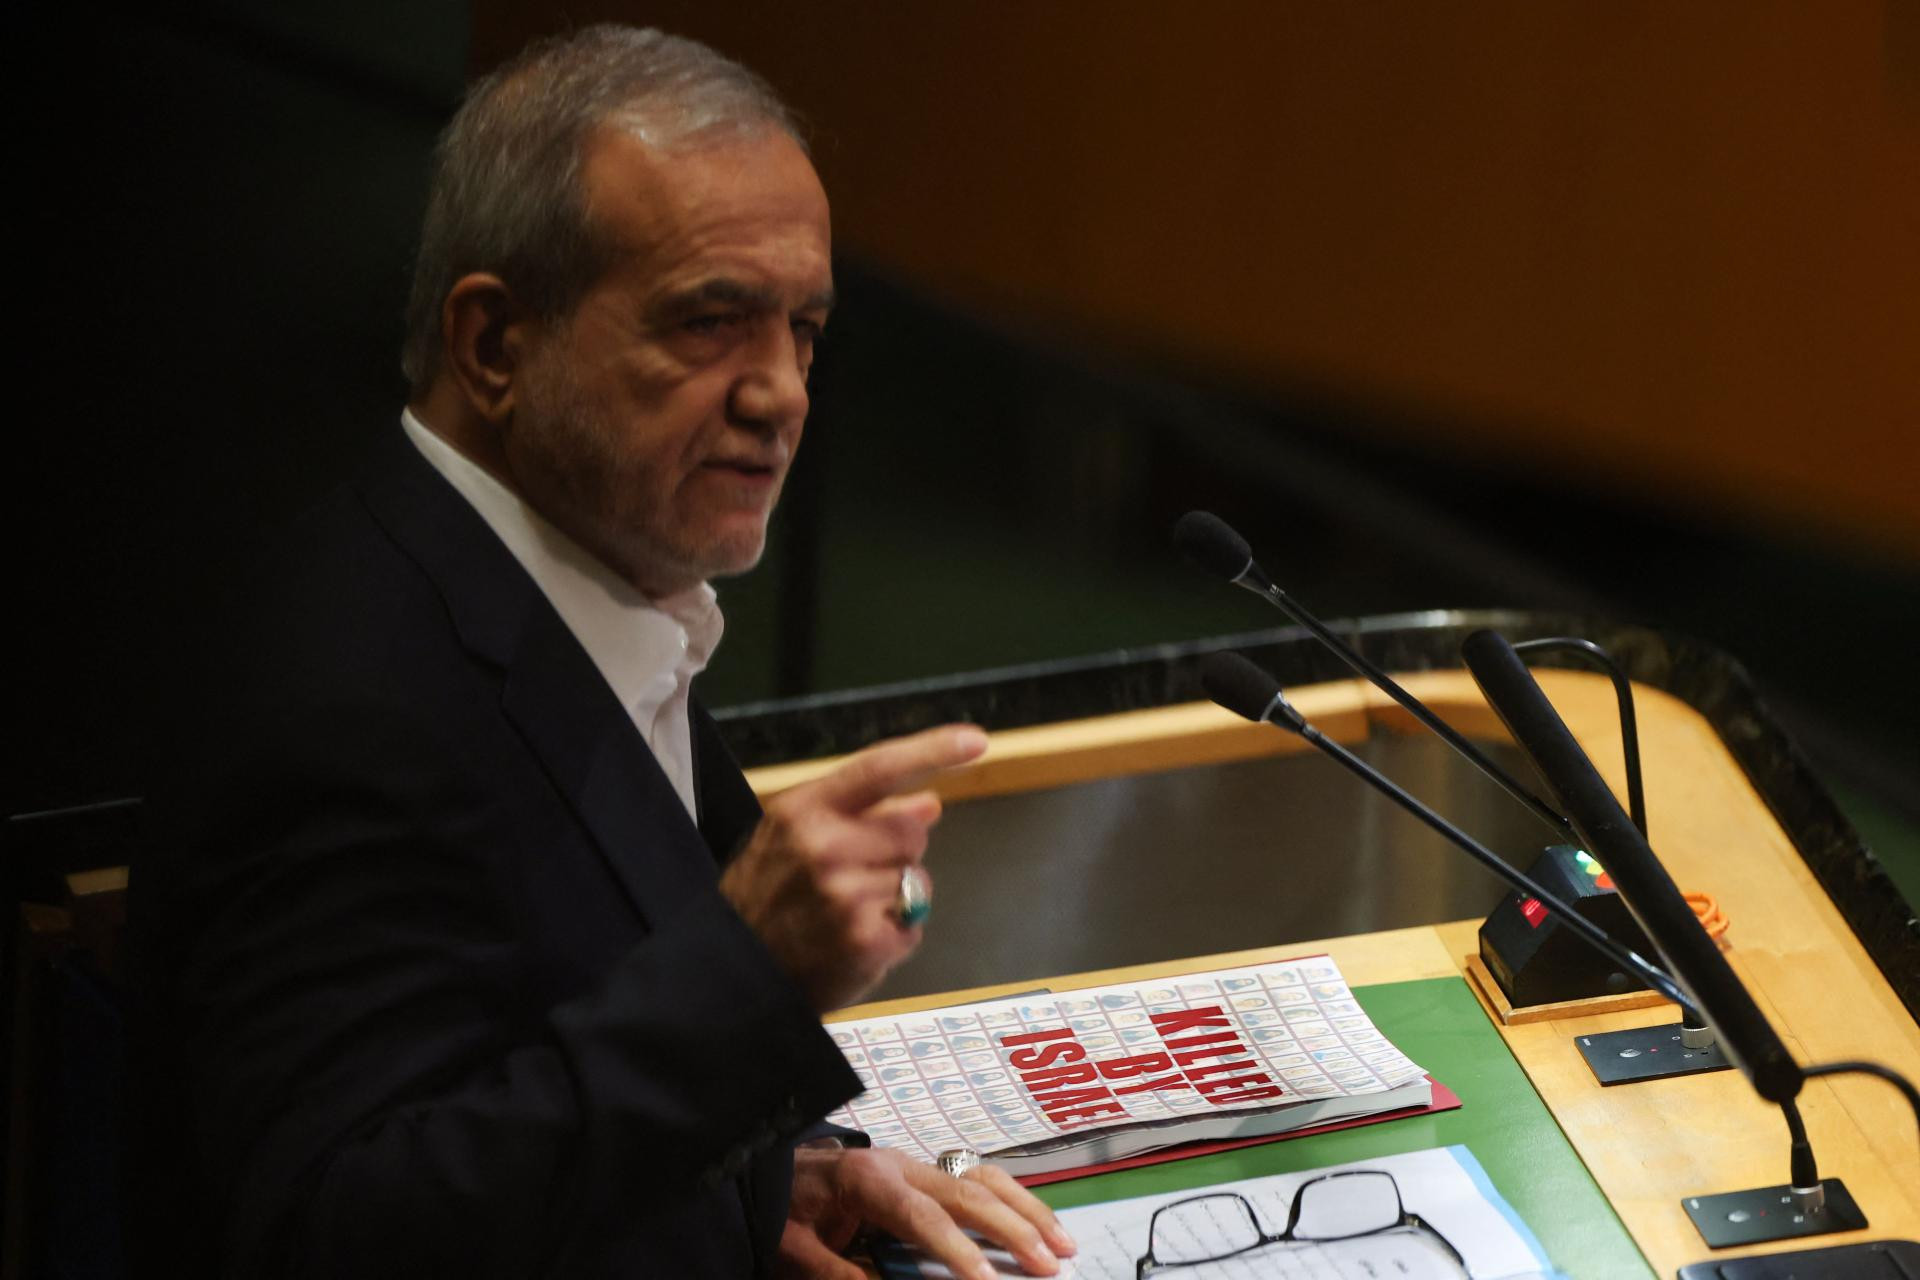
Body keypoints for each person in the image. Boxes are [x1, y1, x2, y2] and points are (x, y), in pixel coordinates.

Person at [133, 25, 1075, 1280]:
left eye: (803, 327)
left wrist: (771, 1178)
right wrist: (751, 973)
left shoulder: (582, 585)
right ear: (494, 345)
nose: (783, 391)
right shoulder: (351, 697)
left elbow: (536, 1068)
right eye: (710, 321)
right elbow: (337, 1231)